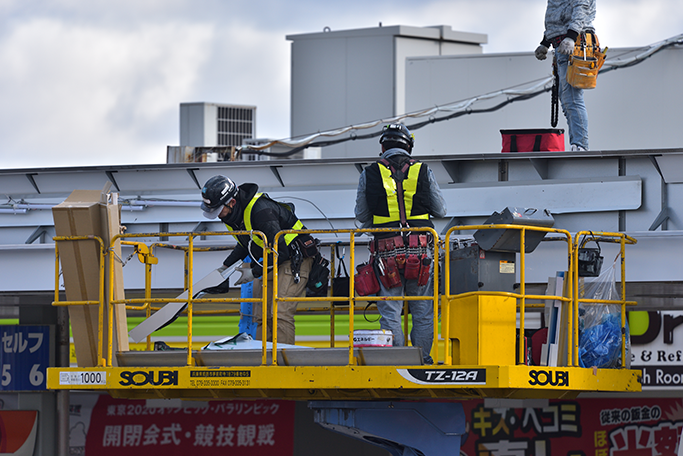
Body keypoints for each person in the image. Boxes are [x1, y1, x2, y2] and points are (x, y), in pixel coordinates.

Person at [354, 123, 447, 364]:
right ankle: (422, 359)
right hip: (421, 251)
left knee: (390, 310)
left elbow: (362, 216)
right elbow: (440, 210)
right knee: (424, 311)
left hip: (387, 254)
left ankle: (396, 360)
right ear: (409, 146)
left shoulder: (370, 172)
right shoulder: (423, 171)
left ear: (383, 146)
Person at [200, 175, 315, 345]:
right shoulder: (232, 216)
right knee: (261, 314)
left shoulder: (261, 211)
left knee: (280, 313)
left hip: (293, 260)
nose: (217, 215)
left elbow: (281, 251)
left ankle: (282, 363)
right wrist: (225, 267)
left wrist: (253, 272)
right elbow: (245, 245)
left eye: (218, 210)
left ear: (232, 202)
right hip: (273, 260)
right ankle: (264, 361)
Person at [535, 0, 596, 151]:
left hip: (573, 44)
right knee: (567, 100)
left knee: (572, 99)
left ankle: (580, 145)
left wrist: (571, 36)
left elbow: (580, 8)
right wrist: (546, 42)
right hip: (563, 45)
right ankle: (577, 144)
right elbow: (558, 15)